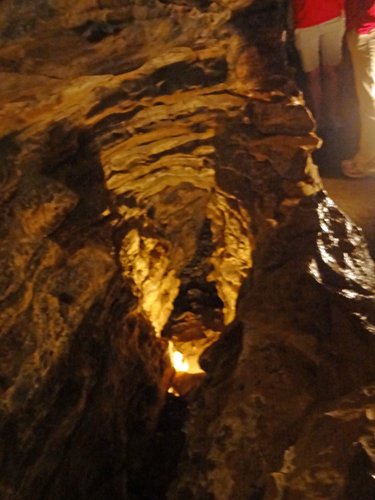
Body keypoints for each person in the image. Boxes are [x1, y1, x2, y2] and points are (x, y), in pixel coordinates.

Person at [292, 0, 346, 127]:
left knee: (331, 72)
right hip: (306, 22)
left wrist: (341, 7)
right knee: (312, 75)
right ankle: (317, 119)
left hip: (332, 18)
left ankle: (331, 116)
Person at [342, 0, 375, 178]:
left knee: (369, 100)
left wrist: (360, 24)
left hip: (368, 30)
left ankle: (368, 162)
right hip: (367, 27)